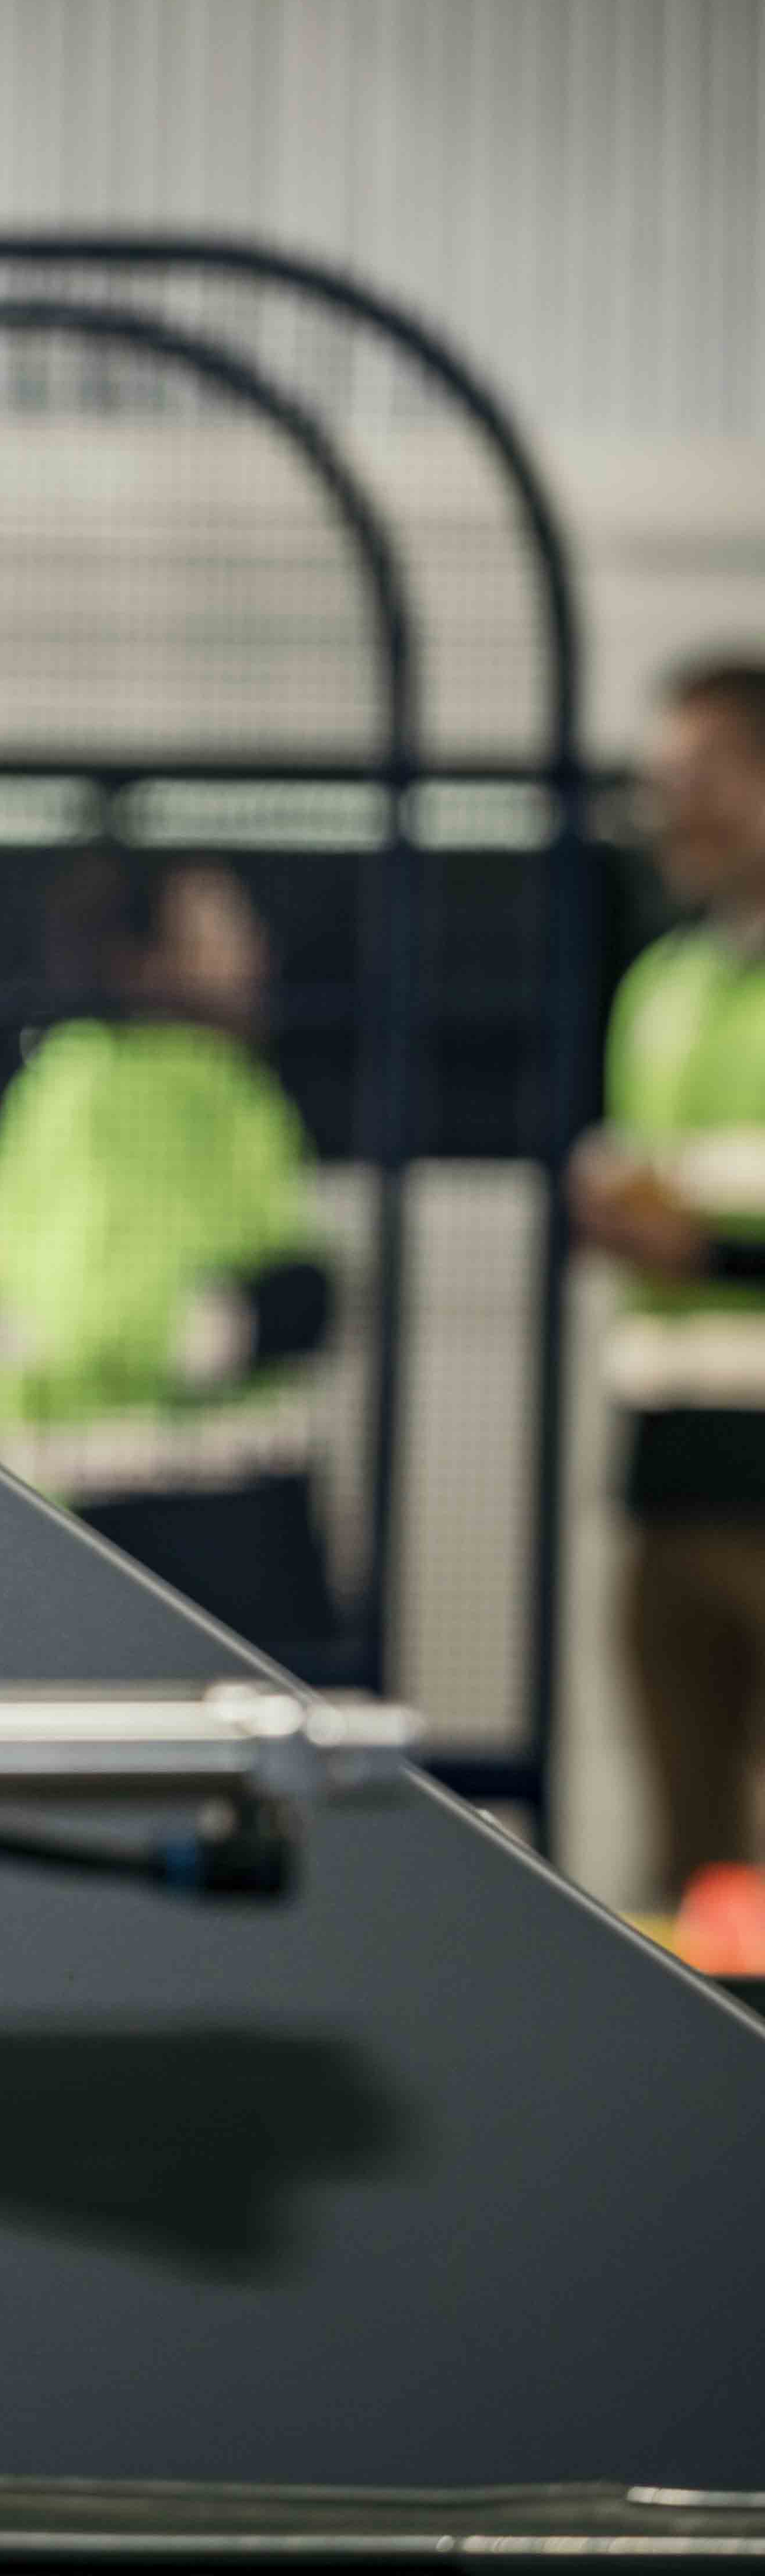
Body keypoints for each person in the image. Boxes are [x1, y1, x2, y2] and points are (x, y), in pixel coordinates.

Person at [0, 847, 342, 1659]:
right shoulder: (94, 1089)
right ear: (143, 961)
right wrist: (243, 1323)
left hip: (236, 1503)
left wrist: (285, 1306)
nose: (253, 954)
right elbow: (96, 1308)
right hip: (139, 1519)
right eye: (219, 932)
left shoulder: (231, 1085)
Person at [576, 656, 765, 1898]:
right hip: (671, 1479)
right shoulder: (663, 987)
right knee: (693, 1861)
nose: (672, 812)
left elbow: (705, 1223)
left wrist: (706, 1250)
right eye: (660, 784)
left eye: (701, 777)